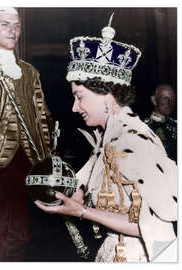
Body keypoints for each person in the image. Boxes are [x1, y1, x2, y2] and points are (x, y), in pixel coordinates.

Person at [35, 14, 177, 262]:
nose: (74, 107)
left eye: (79, 96)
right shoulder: (110, 137)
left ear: (107, 95)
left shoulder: (135, 141)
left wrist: (82, 211)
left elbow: (155, 228)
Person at [0, 7, 54, 262]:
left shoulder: (29, 72)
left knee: (19, 234)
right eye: (5, 24)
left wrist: (47, 156)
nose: (13, 30)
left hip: (26, 164)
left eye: (17, 25)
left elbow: (42, 117)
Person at [144, 84, 177, 163]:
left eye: (172, 98)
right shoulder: (146, 127)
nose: (169, 102)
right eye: (165, 98)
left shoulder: (175, 124)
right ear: (154, 100)